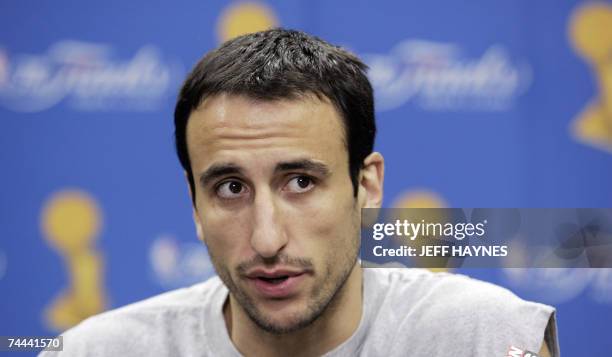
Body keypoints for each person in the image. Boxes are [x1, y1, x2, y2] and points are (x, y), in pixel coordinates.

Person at [41, 28, 559, 357]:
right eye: (229, 187)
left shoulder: (483, 339)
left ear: (367, 186)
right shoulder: (94, 351)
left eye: (301, 182)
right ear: (193, 204)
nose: (267, 240)